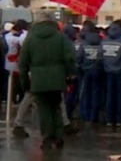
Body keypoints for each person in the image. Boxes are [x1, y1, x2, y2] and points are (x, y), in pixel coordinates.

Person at [18, 10, 76, 150]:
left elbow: (23, 63)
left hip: (38, 80)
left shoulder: (30, 38)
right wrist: (70, 75)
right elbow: (69, 57)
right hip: (57, 79)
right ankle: (58, 137)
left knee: (43, 110)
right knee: (56, 107)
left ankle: (47, 138)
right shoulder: (60, 37)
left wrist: (25, 81)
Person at [101, 20, 121, 128]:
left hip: (107, 71)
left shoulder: (105, 40)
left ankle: (109, 119)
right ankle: (120, 119)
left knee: (109, 95)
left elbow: (101, 56)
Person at [76, 24, 103, 124]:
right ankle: (94, 116)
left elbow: (79, 57)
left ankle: (85, 115)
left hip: (85, 71)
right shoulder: (101, 43)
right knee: (96, 94)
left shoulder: (84, 44)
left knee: (85, 93)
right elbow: (102, 57)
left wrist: (79, 66)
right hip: (97, 71)